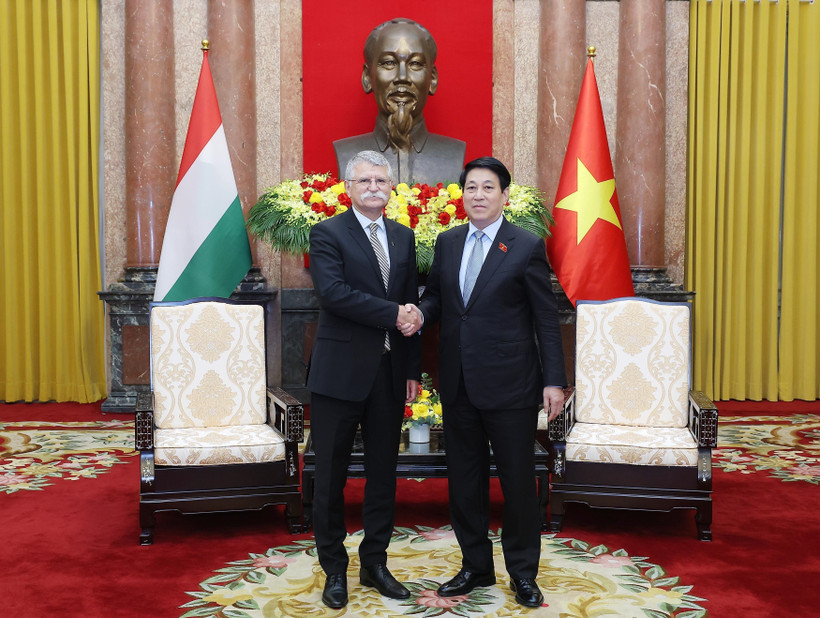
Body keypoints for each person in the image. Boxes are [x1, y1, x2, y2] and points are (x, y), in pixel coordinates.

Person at [406, 157, 566, 608]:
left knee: (517, 484)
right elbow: (437, 296)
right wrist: (419, 313)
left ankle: (523, 574)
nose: (478, 194)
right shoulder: (449, 240)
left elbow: (545, 318)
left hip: (511, 385)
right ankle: (475, 566)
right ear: (463, 195)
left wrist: (554, 380)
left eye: (488, 187)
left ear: (505, 196)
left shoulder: (526, 245)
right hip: (458, 383)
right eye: (471, 187)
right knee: (465, 483)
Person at [306, 150, 422, 609]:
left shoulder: (404, 235)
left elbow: (411, 300)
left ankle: (375, 563)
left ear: (391, 187)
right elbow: (333, 294)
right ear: (348, 187)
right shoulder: (327, 233)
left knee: (382, 476)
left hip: (390, 376)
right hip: (338, 376)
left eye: (381, 180)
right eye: (364, 181)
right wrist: (395, 314)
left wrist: (412, 367)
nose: (374, 187)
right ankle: (335, 569)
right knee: (330, 476)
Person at [333, 18, 465, 186]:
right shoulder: (346, 152)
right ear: (367, 78)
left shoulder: (453, 154)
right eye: (389, 63)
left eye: (415, 64)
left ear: (432, 79)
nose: (402, 77)